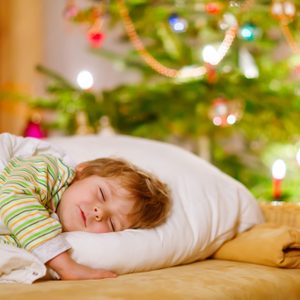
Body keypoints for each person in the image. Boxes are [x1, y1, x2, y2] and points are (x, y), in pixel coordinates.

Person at [0, 154, 171, 280]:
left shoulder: (55, 230)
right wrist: (64, 265)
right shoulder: (47, 169)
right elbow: (13, 197)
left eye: (112, 223)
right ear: (82, 172)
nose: (100, 212)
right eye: (102, 194)